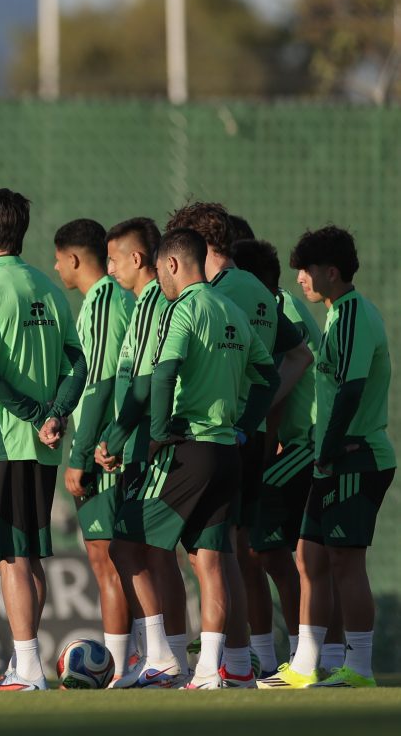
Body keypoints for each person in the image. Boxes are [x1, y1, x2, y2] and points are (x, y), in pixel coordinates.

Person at [101, 227, 279, 690]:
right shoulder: (232, 312)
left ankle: (163, 658)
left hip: (187, 450)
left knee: (128, 542)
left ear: (174, 265)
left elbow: (162, 377)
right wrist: (244, 424)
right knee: (212, 560)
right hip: (226, 451)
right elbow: (268, 375)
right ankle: (220, 670)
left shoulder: (182, 310)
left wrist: (158, 433)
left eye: (160, 269)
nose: (159, 278)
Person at [165, 202, 311, 685]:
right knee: (240, 551)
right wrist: (258, 416)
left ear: (197, 248)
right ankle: (253, 659)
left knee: (218, 551)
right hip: (244, 434)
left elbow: (287, 360)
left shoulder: (214, 296)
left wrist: (248, 416)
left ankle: (231, 659)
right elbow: (296, 354)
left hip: (218, 434)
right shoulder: (255, 288)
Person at [0, 188, 87, 692]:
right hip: (43, 444)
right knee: (29, 554)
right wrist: (55, 415)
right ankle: (25, 663)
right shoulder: (46, 286)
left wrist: (37, 414)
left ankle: (29, 669)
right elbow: (76, 363)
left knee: (11, 557)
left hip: (0, 438)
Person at [261, 226, 395, 689]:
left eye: (307, 269)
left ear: (331, 272)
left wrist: (332, 448)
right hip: (331, 458)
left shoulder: (355, 314)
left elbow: (352, 390)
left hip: (357, 457)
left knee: (345, 562)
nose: (300, 278)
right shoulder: (338, 315)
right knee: (309, 558)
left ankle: (359, 670)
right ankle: (304, 667)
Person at [231, 238, 340, 677]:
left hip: (302, 443)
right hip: (291, 443)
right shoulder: (277, 305)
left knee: (279, 553)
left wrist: (263, 446)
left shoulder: (277, 308)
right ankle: (279, 655)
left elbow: (276, 388)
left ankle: (305, 655)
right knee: (268, 553)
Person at [95, 218, 190, 679]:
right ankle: (171, 656)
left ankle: (162, 655)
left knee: (130, 548)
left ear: (137, 260)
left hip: (150, 445)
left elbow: (150, 381)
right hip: (142, 442)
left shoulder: (155, 302)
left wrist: (119, 437)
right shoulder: (142, 304)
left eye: (112, 259)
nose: (108, 269)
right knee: (151, 551)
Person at [53, 219, 134, 681]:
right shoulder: (106, 301)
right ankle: (138, 660)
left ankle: (122, 668)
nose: (56, 267)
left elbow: (101, 379)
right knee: (118, 560)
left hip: (103, 453)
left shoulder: (103, 299)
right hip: (108, 444)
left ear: (75, 259)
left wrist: (81, 454)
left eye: (59, 258)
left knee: (110, 562)